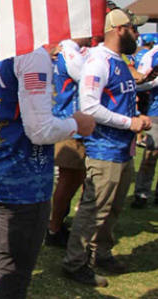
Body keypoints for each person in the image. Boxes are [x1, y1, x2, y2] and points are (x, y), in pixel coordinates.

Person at [0, 43, 95, 298]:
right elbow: (40, 131)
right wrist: (77, 124)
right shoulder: (30, 52)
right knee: (12, 276)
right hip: (23, 182)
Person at [63, 8, 151, 287]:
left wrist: (136, 120)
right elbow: (89, 107)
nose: (137, 34)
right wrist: (129, 123)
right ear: (119, 29)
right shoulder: (98, 62)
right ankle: (76, 262)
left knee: (112, 209)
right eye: (133, 29)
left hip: (121, 149)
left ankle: (101, 252)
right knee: (95, 209)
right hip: (104, 149)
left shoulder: (119, 60)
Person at [46, 37, 93, 247]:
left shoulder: (64, 52)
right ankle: (53, 228)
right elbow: (88, 82)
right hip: (70, 124)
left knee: (74, 178)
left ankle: (56, 224)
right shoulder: (70, 54)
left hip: (69, 122)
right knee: (69, 179)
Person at [132, 39, 158, 208]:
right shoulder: (152, 54)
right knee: (151, 155)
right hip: (156, 113)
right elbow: (138, 84)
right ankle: (141, 194)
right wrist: (154, 82)